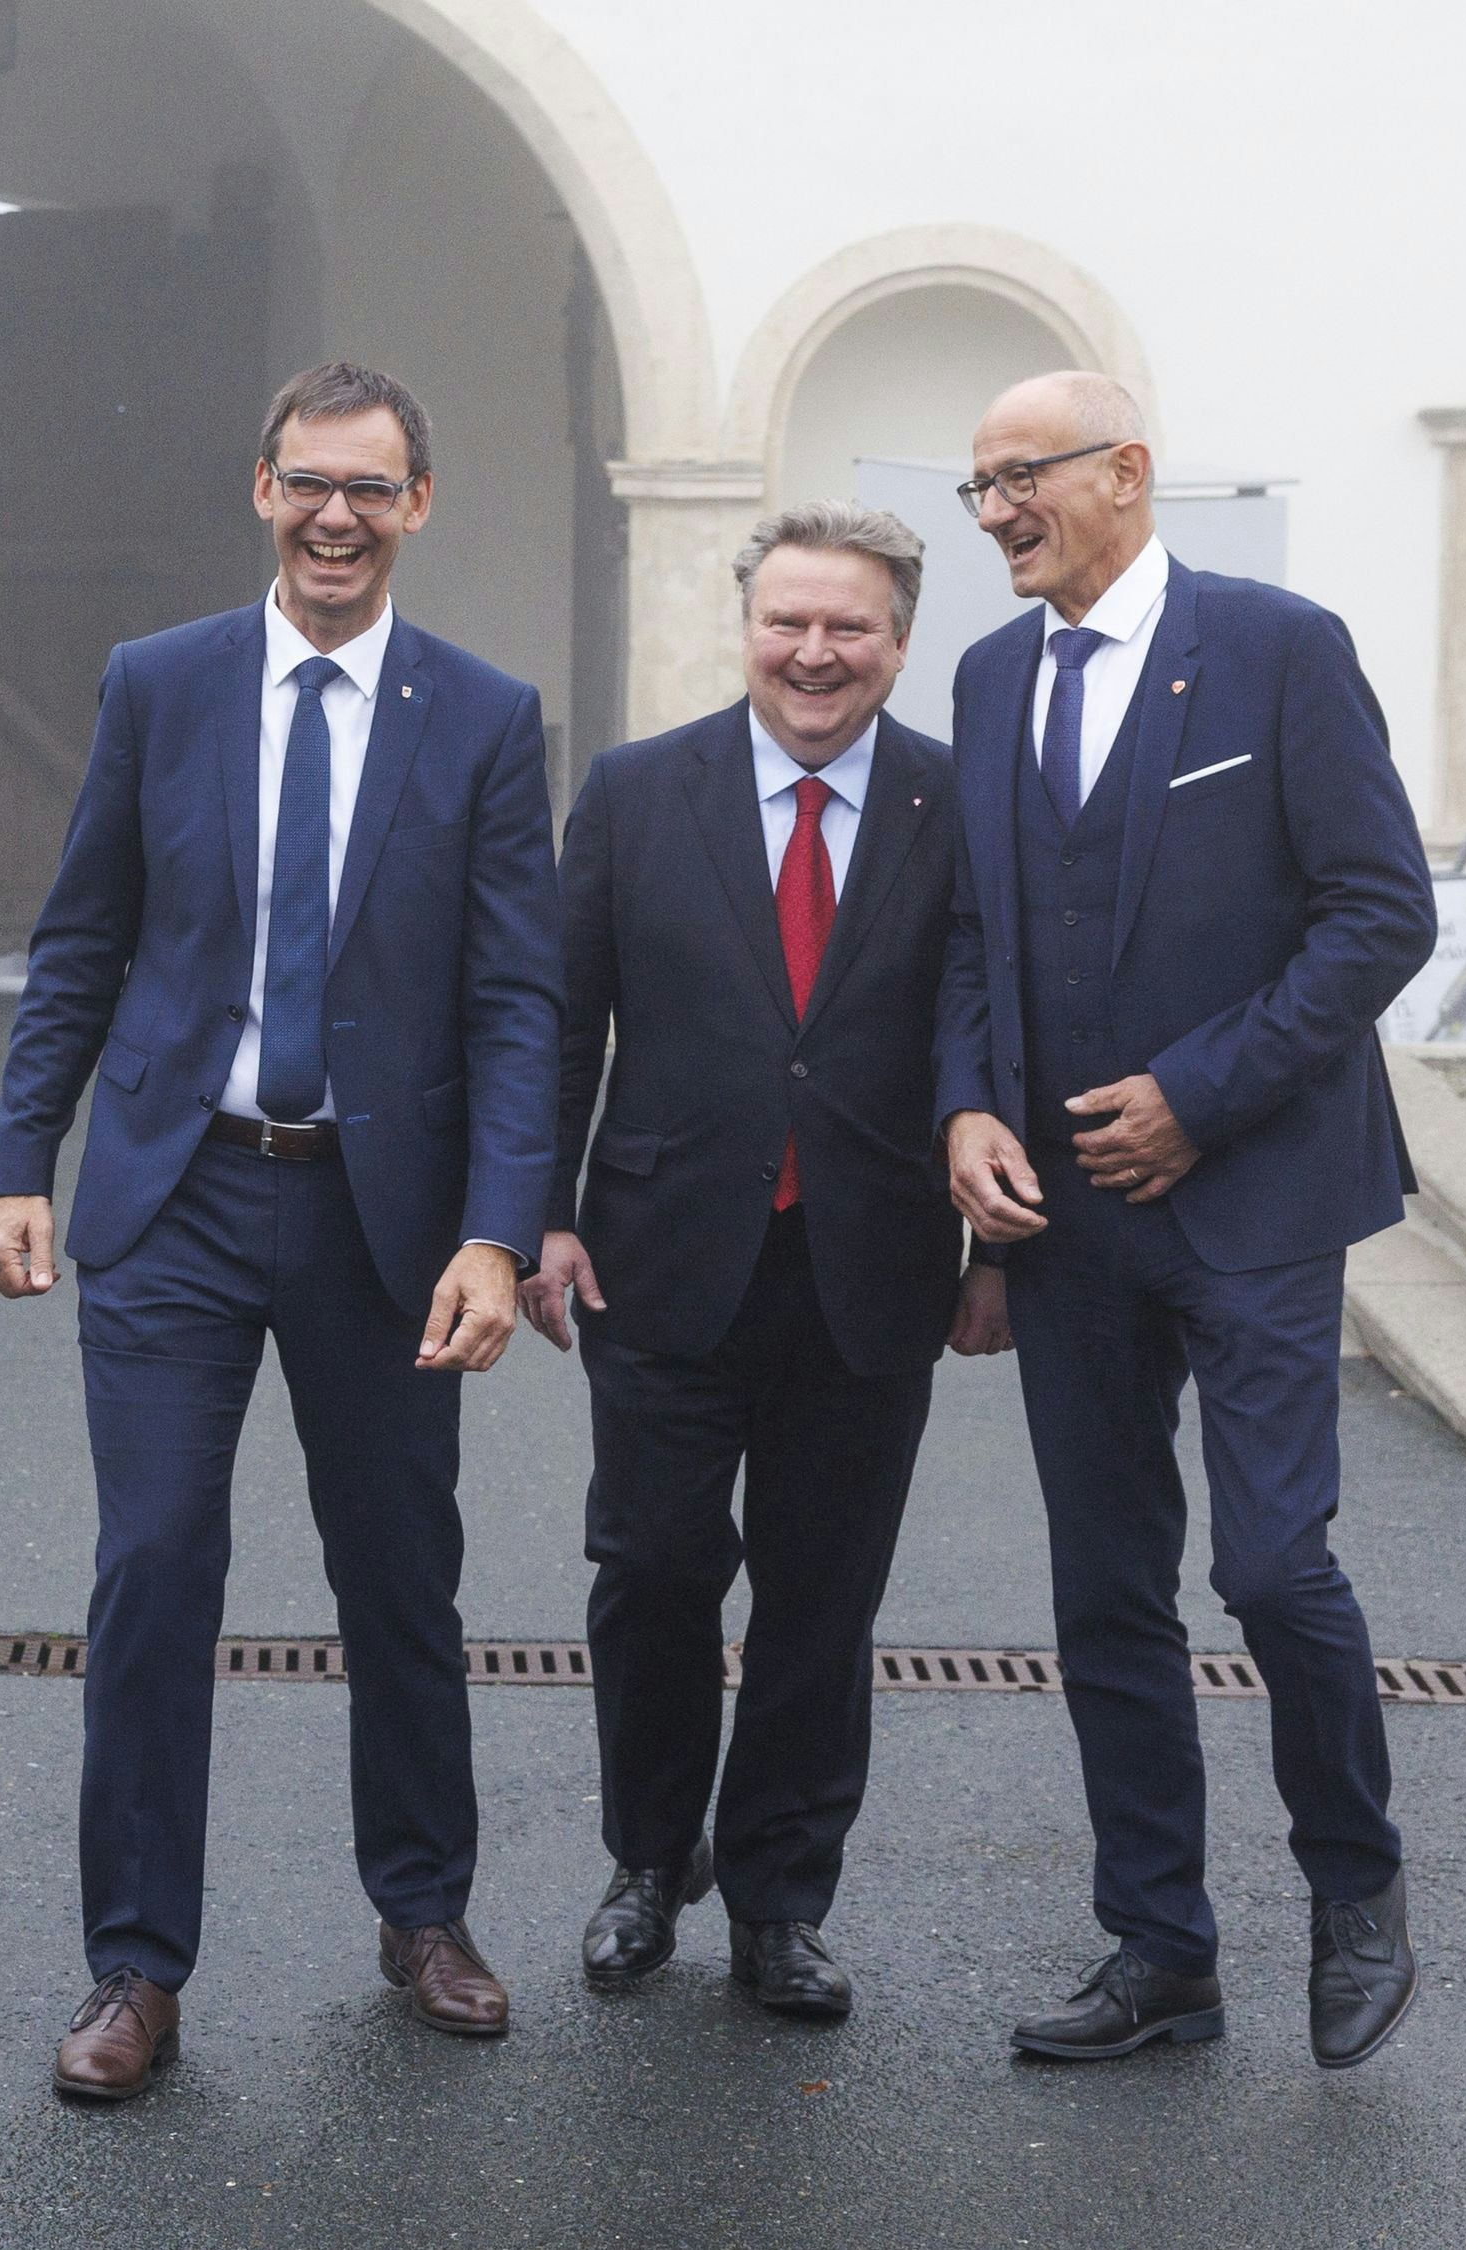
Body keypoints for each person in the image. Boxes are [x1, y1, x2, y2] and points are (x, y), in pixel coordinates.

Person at [0, 360, 560, 2088]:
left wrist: (500, 1233)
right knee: (156, 1562)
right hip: (178, 1190)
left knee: (400, 1574)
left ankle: (423, 1907)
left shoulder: (483, 714)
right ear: (260, 488)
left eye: (370, 491)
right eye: (309, 483)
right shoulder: (162, 685)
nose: (335, 517)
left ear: (417, 508)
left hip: (389, 1221)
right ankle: (136, 1965)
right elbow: (82, 935)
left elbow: (519, 1003)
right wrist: (23, 1158)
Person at [935, 372, 1432, 2070]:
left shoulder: (1282, 647)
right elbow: (972, 943)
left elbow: (1380, 914)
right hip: (1065, 1223)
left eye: (1025, 477)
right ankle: (1161, 1946)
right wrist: (969, 1111)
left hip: (1260, 1197)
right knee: (1106, 1589)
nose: (997, 511)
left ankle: (1356, 1881)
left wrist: (1198, 1097)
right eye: (978, 486)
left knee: (1274, 1562)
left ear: (1128, 473)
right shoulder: (992, 676)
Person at [526, 503, 998, 2021]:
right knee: (652, 1569)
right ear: (746, 629)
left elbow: (989, 1035)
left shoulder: (956, 803)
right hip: (658, 1257)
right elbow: (559, 1021)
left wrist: (995, 1246)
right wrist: (533, 1212)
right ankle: (650, 1861)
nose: (814, 652)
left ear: (898, 643)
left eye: (848, 627)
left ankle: (784, 1900)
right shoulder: (635, 792)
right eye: (787, 622)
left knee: (823, 1596)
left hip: (870, 1265)